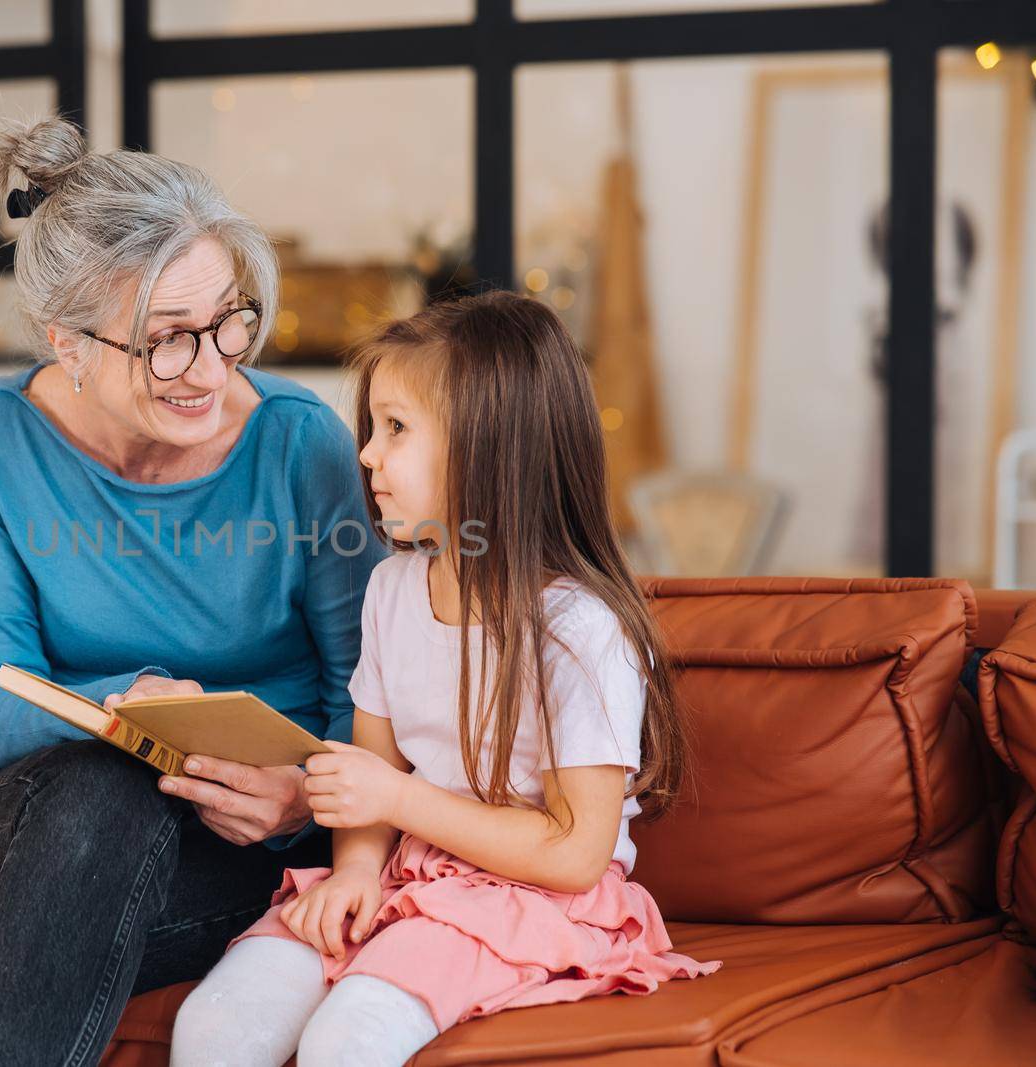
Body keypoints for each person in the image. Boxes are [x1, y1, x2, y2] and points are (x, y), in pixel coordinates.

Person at [0, 114, 388, 1067]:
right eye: (168, 340)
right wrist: (127, 711)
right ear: (70, 344)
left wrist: (304, 795)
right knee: (107, 788)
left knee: (53, 907)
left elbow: (367, 688)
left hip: (244, 841)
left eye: (229, 321)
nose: (212, 369)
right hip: (32, 816)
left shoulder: (299, 444)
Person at [170, 290, 722, 1067]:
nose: (366, 454)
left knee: (347, 1040)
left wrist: (397, 802)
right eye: (373, 427)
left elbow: (574, 853)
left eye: (396, 428)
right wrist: (356, 869)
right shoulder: (394, 590)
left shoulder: (580, 630)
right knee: (214, 1024)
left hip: (533, 898)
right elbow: (369, 775)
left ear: (489, 448)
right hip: (406, 874)